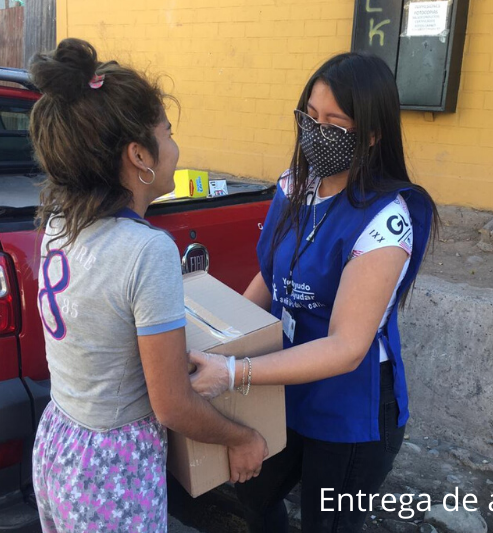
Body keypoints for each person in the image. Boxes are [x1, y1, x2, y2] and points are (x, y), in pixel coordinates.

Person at [189, 52, 438, 533]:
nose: (316, 132)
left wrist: (235, 370)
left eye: (334, 123)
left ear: (371, 133)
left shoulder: (385, 219)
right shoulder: (296, 185)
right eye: (310, 116)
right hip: (284, 388)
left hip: (348, 412)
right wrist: (222, 342)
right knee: (244, 501)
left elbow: (347, 348)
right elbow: (269, 278)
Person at [28, 38, 267, 533]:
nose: (176, 148)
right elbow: (172, 404)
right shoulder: (146, 250)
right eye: (169, 132)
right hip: (111, 471)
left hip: (59, 444)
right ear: (140, 155)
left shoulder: (60, 222)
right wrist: (243, 438)